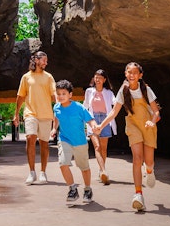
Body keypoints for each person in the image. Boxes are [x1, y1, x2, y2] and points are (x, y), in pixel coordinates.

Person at [93, 62, 160, 211]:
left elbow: (156, 112)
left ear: (140, 75)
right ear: (125, 74)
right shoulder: (123, 91)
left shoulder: (146, 89)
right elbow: (113, 112)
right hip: (133, 125)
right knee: (137, 158)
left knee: (148, 161)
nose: (132, 75)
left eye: (135, 72)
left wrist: (152, 121)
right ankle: (138, 195)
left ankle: (149, 170)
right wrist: (100, 126)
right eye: (129, 72)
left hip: (148, 125)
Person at [13, 50, 57, 185]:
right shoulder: (26, 77)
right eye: (44, 60)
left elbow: (54, 95)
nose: (46, 63)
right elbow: (20, 96)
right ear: (37, 60)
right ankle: (32, 172)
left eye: (46, 60)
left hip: (46, 114)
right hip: (30, 113)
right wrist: (16, 114)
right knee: (30, 138)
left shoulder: (49, 77)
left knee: (44, 144)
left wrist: (62, 109)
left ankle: (43, 172)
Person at [50, 79, 95, 205]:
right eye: (58, 94)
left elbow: (90, 119)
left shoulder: (79, 107)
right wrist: (54, 128)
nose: (60, 96)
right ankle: (72, 188)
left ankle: (87, 189)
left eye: (64, 94)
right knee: (63, 163)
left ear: (70, 95)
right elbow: (56, 117)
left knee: (84, 168)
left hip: (80, 141)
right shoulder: (56, 107)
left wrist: (94, 126)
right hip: (64, 139)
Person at [84, 69, 116, 185]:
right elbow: (85, 106)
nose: (97, 80)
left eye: (100, 78)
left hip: (105, 120)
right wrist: (84, 121)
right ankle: (103, 171)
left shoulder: (109, 92)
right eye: (96, 77)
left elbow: (116, 103)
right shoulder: (89, 91)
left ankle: (101, 169)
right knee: (97, 147)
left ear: (104, 80)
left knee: (103, 148)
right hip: (92, 119)